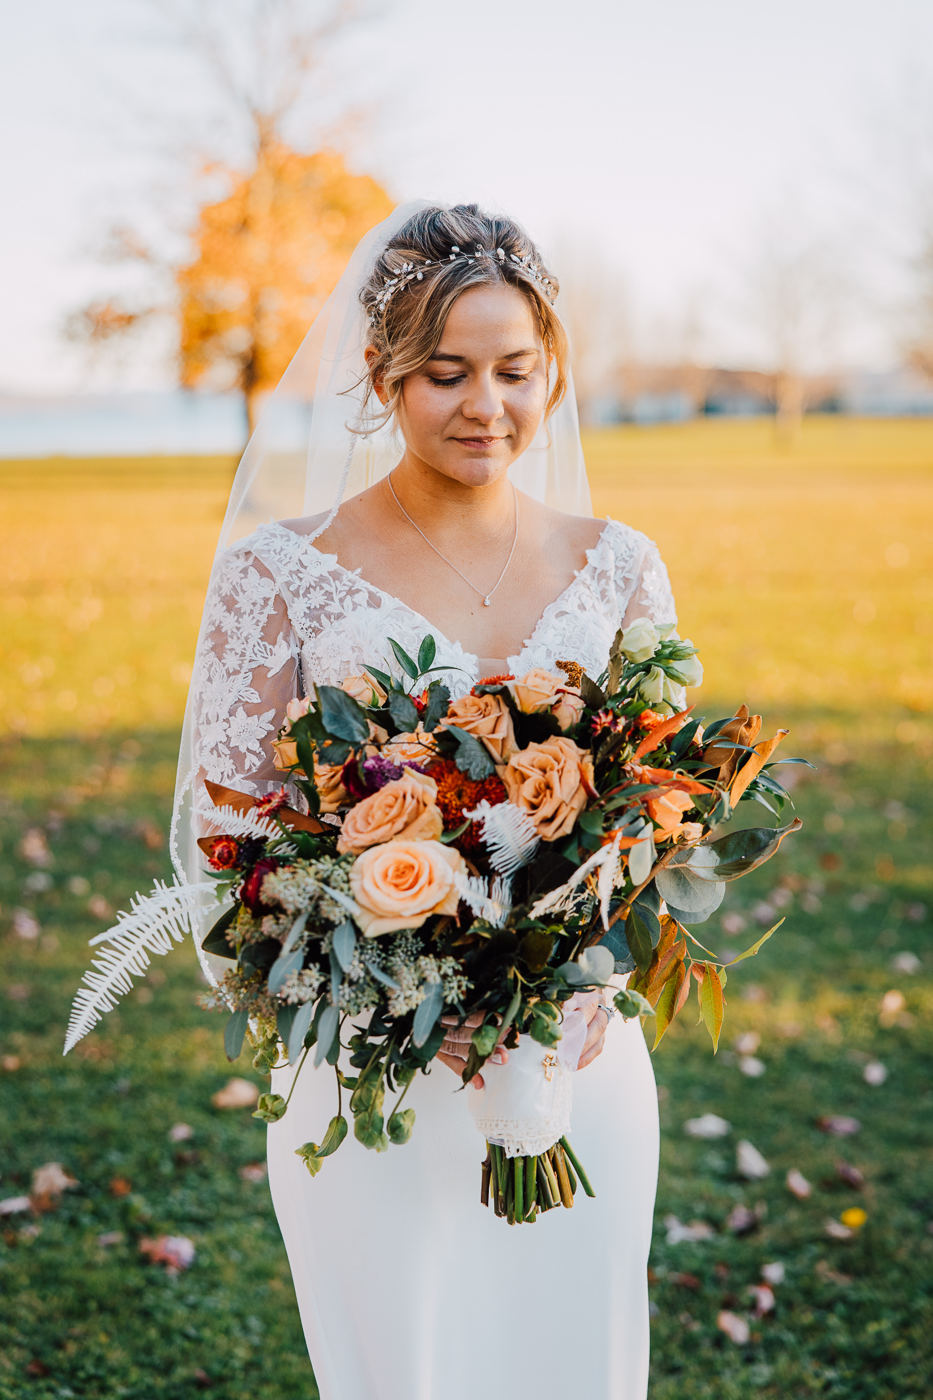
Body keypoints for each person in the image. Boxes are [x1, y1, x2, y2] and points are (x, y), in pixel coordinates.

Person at [176, 203, 677, 1400]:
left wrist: (582, 982)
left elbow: (656, 810)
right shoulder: (278, 572)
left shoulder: (620, 565)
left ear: (552, 371)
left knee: (576, 1361)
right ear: (382, 374)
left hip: (581, 1068)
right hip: (374, 1084)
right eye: (445, 372)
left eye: (515, 370)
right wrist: (403, 994)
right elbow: (227, 848)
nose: (485, 406)